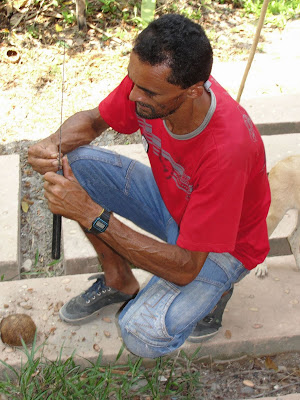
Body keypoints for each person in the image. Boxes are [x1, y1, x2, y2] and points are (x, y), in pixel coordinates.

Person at [28, 14, 271, 359]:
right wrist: (53, 144)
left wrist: (91, 214)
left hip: (224, 246)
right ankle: (118, 281)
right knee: (75, 164)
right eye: (133, 81)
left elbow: (186, 266)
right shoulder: (151, 85)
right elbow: (95, 120)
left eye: (147, 91)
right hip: (176, 202)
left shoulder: (226, 151)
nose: (134, 95)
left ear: (192, 91)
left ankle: (218, 290)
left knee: (142, 332)